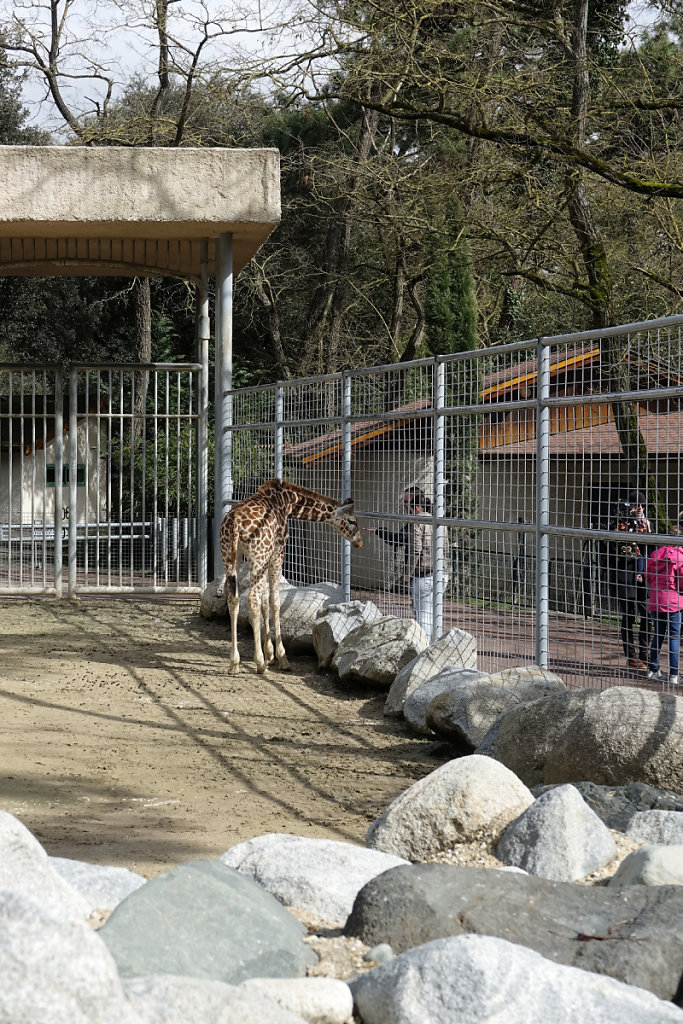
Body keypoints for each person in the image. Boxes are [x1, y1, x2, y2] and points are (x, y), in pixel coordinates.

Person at [369, 487, 436, 641]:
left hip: (423, 573)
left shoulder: (417, 521)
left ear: (416, 504)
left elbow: (410, 546)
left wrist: (407, 574)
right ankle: (431, 643)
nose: (404, 505)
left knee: (423, 615)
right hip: (438, 573)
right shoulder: (436, 519)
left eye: (406, 502)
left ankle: (424, 646)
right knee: (431, 614)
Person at [602, 489, 652, 669]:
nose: (639, 508)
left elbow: (649, 547)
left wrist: (646, 527)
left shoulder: (646, 523)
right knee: (629, 614)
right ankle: (631, 656)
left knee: (647, 613)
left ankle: (645, 652)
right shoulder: (620, 522)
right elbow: (615, 546)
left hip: (643, 573)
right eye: (635, 505)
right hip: (625, 572)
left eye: (641, 505)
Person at [645, 525, 683, 687]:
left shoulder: (655, 554)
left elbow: (647, 576)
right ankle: (674, 674)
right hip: (674, 601)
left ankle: (653, 670)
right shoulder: (680, 555)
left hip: (655, 600)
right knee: (674, 637)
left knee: (658, 635)